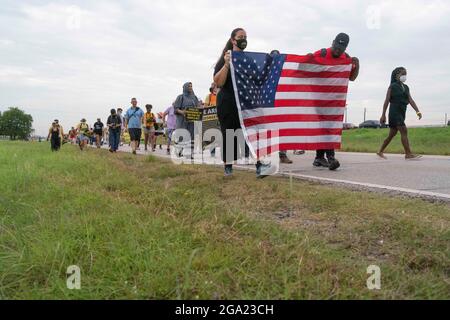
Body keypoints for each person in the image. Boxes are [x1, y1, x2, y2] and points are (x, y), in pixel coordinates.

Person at [213, 28, 272, 178]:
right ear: (233, 40)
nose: (243, 39)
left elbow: (258, 80)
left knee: (252, 133)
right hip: (228, 103)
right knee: (229, 133)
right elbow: (218, 82)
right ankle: (228, 167)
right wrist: (227, 64)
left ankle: (260, 166)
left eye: (245, 37)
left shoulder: (249, 60)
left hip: (245, 102)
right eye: (240, 37)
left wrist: (269, 64)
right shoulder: (225, 58)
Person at [312, 33, 360, 171]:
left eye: (342, 48)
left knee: (326, 128)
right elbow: (305, 68)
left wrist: (356, 66)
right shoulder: (322, 53)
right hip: (319, 98)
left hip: (335, 100)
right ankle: (331, 158)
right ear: (333, 42)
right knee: (327, 127)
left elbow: (352, 78)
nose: (338, 50)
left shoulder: (346, 58)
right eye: (337, 46)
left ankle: (319, 158)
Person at [377, 67, 423, 160]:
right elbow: (387, 100)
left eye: (405, 74)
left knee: (392, 134)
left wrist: (417, 111)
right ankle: (408, 154)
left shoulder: (406, 87)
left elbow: (410, 100)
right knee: (404, 130)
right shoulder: (392, 86)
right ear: (396, 75)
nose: (404, 76)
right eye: (402, 74)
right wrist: (383, 114)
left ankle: (380, 151)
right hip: (394, 111)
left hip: (402, 112)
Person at [174, 82, 201, 158]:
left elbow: (198, 107)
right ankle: (179, 151)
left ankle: (190, 153)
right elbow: (175, 109)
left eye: (191, 86)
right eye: (189, 86)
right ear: (185, 87)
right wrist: (182, 112)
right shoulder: (180, 97)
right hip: (182, 121)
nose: (190, 87)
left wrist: (201, 109)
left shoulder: (194, 97)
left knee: (191, 137)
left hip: (191, 121)